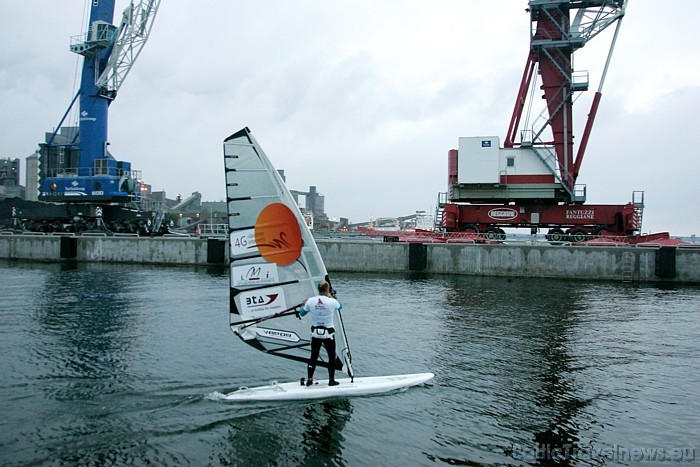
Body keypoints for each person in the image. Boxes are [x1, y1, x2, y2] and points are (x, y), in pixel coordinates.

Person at [300, 280, 342, 387]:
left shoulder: (310, 301)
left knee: (313, 356)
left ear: (318, 289)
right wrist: (330, 296)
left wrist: (303, 305)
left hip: (315, 334)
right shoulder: (331, 302)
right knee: (331, 357)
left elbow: (302, 313)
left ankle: (309, 380)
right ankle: (331, 380)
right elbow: (340, 306)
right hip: (328, 335)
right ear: (327, 289)